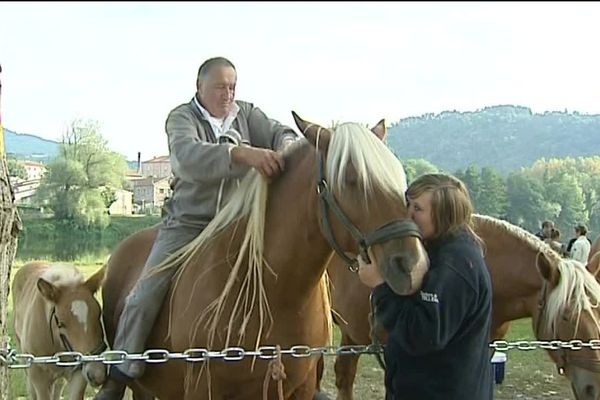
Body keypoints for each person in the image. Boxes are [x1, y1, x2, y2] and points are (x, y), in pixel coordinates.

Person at [95, 56, 300, 399]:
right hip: (188, 223)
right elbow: (188, 159)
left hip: (241, 223)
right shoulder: (181, 118)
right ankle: (122, 371)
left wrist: (288, 147)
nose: (228, 94)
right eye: (220, 86)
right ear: (199, 87)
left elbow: (281, 131)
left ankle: (308, 370)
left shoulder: (247, 114)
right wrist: (242, 154)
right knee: (145, 292)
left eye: (232, 86)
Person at [357, 173, 493, 400]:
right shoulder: (442, 253)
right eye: (407, 204)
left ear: (444, 216)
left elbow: (421, 335)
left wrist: (380, 286)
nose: (408, 214)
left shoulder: (456, 265)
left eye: (418, 209)